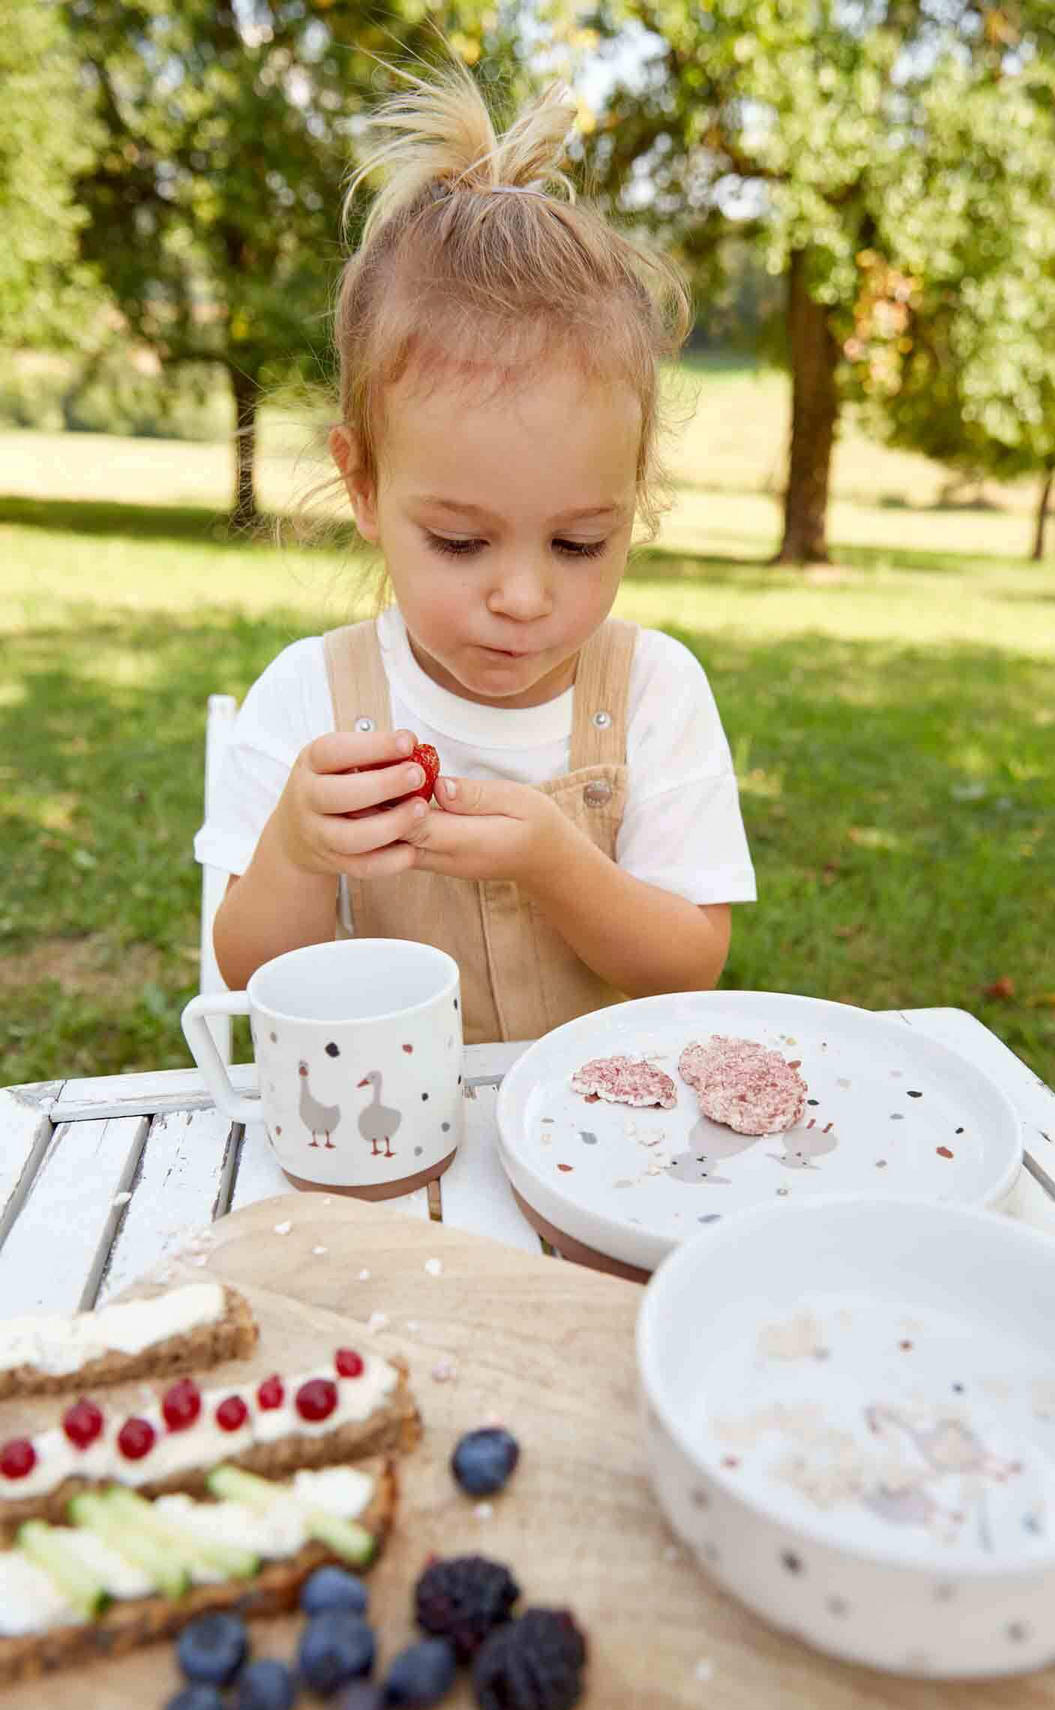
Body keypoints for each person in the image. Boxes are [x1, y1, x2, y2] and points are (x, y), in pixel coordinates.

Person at [197, 55, 756, 1045]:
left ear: (635, 503)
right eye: (460, 541)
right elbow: (249, 974)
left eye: (582, 542)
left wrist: (555, 860)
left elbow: (689, 964)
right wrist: (293, 845)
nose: (524, 596)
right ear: (364, 487)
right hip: (379, 1139)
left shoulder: (654, 695)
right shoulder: (314, 700)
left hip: (588, 1141)